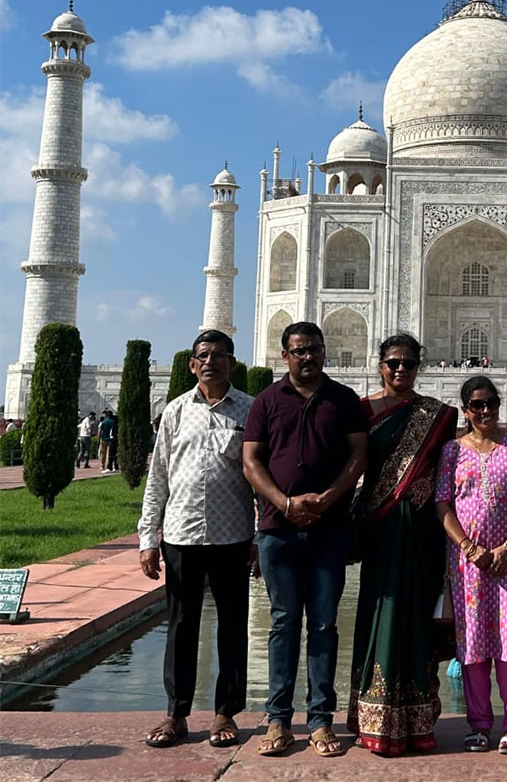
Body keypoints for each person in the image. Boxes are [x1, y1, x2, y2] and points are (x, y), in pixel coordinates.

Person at [243, 321, 368, 759]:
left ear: (324, 351)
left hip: (330, 528)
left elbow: (358, 455)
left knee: (322, 625)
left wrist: (330, 497)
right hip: (278, 529)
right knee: (283, 623)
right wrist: (283, 501)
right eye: (299, 351)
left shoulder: (343, 400)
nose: (307, 357)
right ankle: (277, 719)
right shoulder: (267, 401)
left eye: (314, 349)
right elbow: (251, 460)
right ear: (285, 356)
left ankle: (319, 721)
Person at [138, 330, 256, 749]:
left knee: (232, 626)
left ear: (232, 362)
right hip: (182, 533)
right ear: (192, 364)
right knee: (182, 625)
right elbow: (159, 477)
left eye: (219, 355)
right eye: (203, 356)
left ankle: (226, 712)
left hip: (233, 534)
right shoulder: (174, 411)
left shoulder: (249, 409)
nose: (211, 362)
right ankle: (177, 714)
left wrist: (258, 535)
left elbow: (260, 478)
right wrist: (147, 537)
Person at [346, 334, 458, 755]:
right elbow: (351, 465)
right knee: (382, 614)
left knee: (415, 619)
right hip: (381, 529)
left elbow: (449, 470)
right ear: (380, 365)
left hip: (423, 535)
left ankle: (417, 718)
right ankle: (373, 715)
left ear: (418, 367)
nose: (400, 369)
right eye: (393, 362)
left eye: (409, 363)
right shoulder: (361, 412)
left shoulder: (437, 414)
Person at [435, 376, 507, 754]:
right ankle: (479, 723)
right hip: (469, 563)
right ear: (465, 410)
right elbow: (443, 504)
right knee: (474, 644)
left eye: (491, 403)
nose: (485, 411)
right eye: (477, 405)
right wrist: (467, 546)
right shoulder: (452, 451)